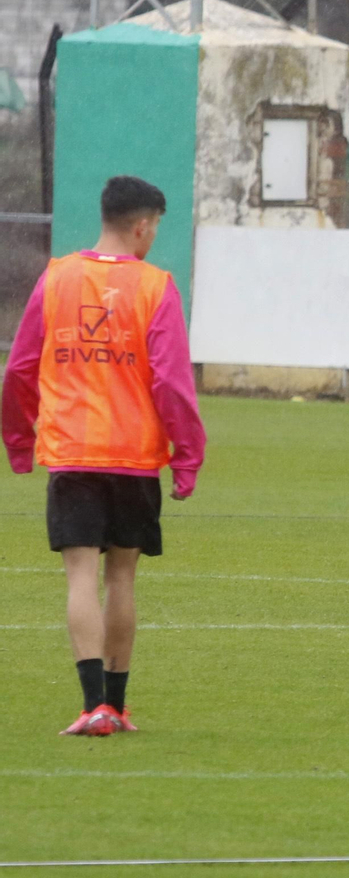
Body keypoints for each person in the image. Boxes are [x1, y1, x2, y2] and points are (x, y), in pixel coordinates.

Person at [3, 175, 206, 736]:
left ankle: (92, 705)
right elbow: (172, 382)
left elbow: (20, 369)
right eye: (155, 227)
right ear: (142, 226)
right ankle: (115, 705)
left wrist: (19, 441)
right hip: (133, 458)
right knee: (121, 578)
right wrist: (187, 455)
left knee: (79, 577)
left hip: (72, 454)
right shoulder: (156, 287)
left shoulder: (57, 278)